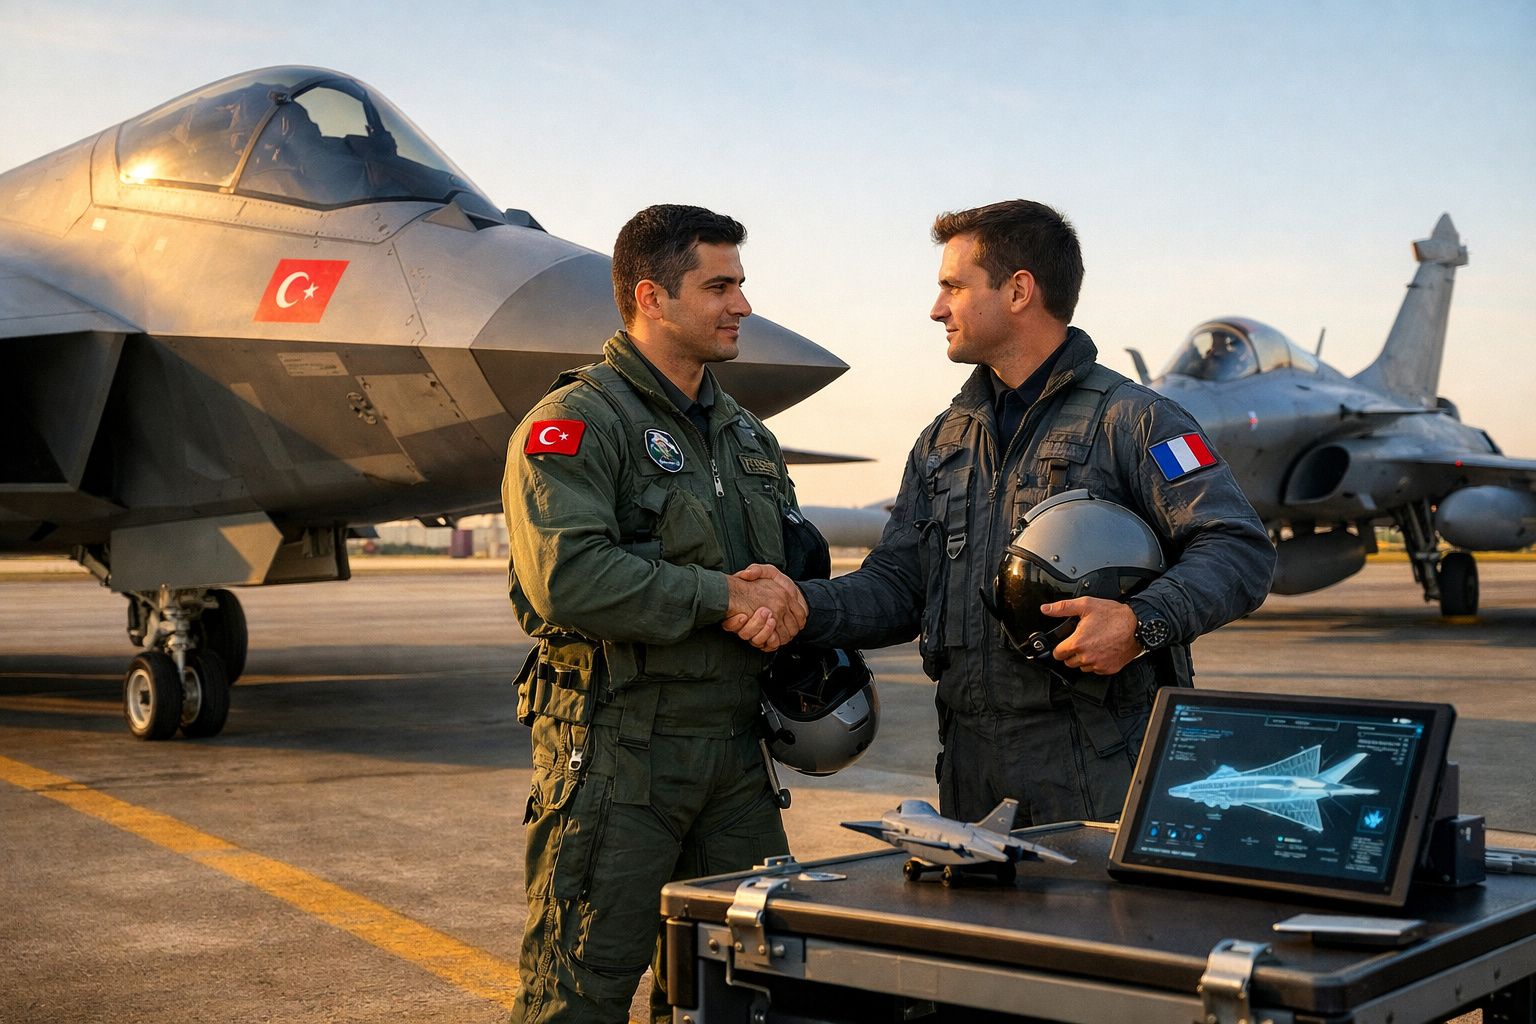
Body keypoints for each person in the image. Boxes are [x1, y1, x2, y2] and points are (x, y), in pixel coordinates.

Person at [729, 199, 1275, 828]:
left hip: (1101, 765)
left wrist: (1140, 621)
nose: (937, 309)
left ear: (1019, 290)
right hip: (972, 768)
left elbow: (1238, 548)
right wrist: (803, 605)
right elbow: (900, 585)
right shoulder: (943, 443)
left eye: (953, 287)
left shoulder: (1136, 420)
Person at [503, 204, 806, 1023]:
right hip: (618, 755)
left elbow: (791, 560)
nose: (742, 304)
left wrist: (792, 599)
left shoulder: (747, 435)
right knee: (581, 990)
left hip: (735, 758)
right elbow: (567, 577)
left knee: (749, 985)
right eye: (720, 286)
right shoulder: (577, 422)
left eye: (741, 284)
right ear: (651, 296)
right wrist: (725, 597)